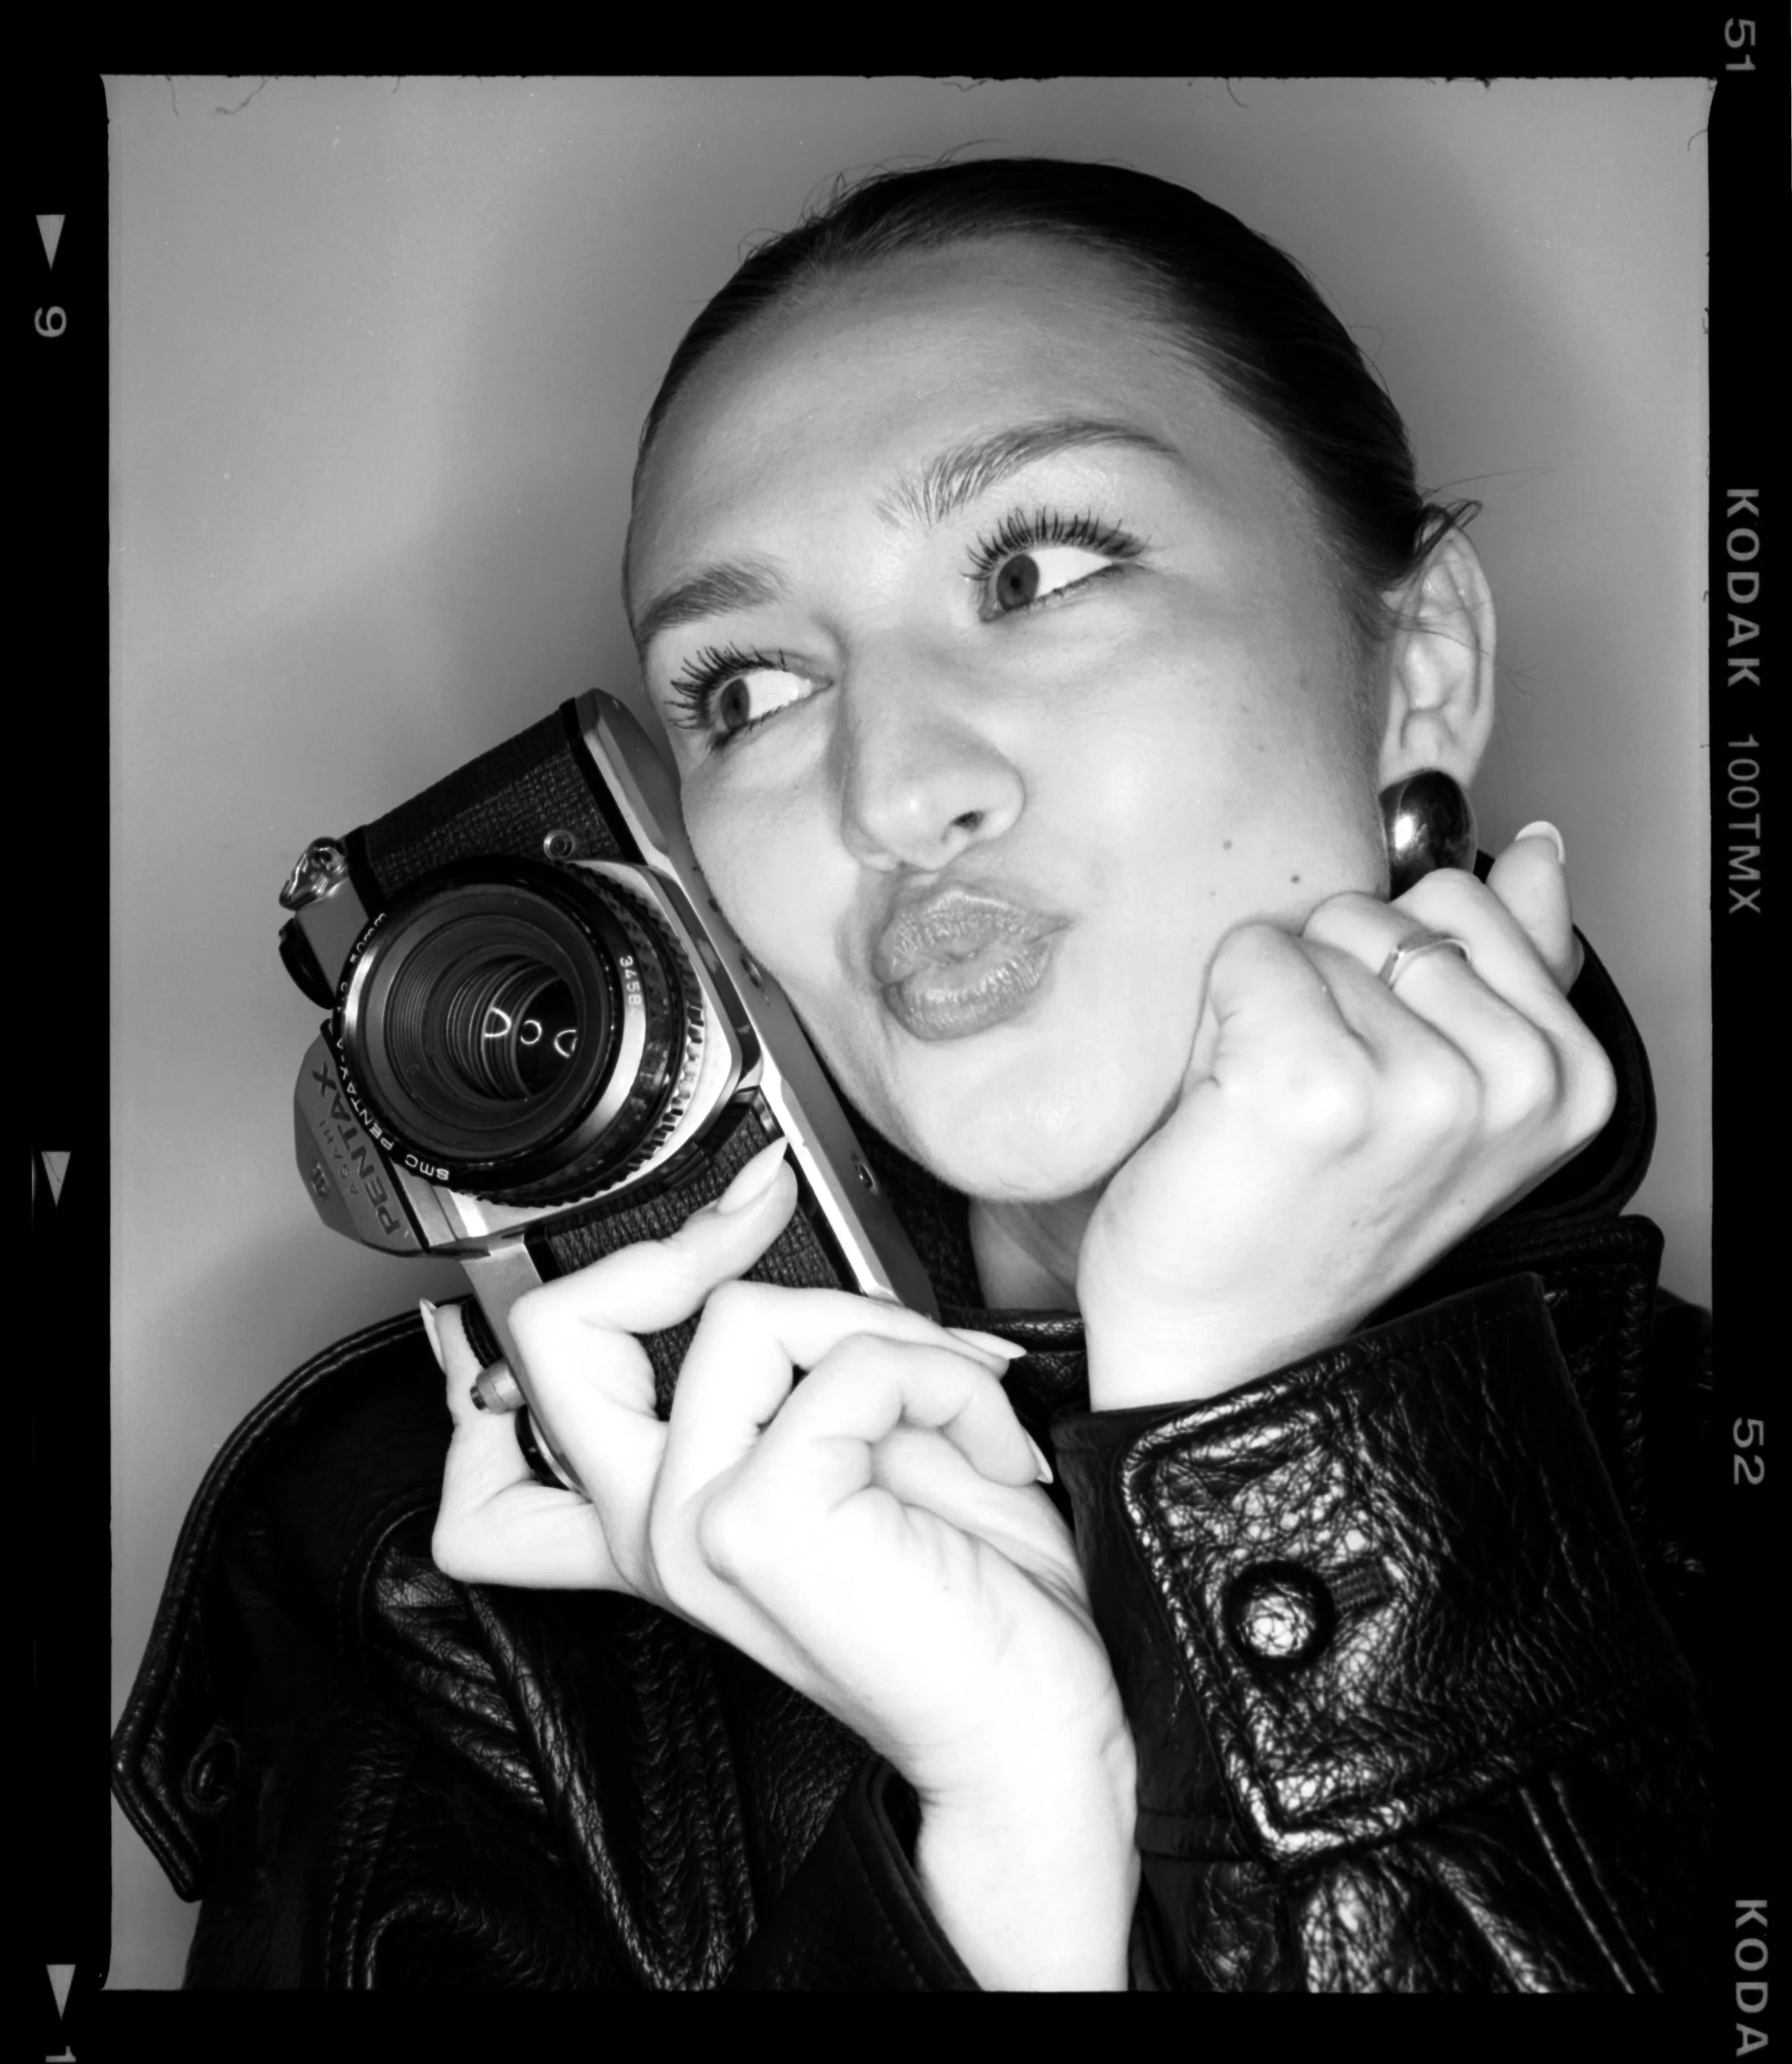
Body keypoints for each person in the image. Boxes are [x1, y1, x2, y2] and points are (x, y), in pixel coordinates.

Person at [112, 156, 1710, 1991]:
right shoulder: (450, 1598)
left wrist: (1257, 1424)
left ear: (1419, 668)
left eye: (1032, 574)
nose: (888, 793)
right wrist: (1016, 1837)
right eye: (747, 690)